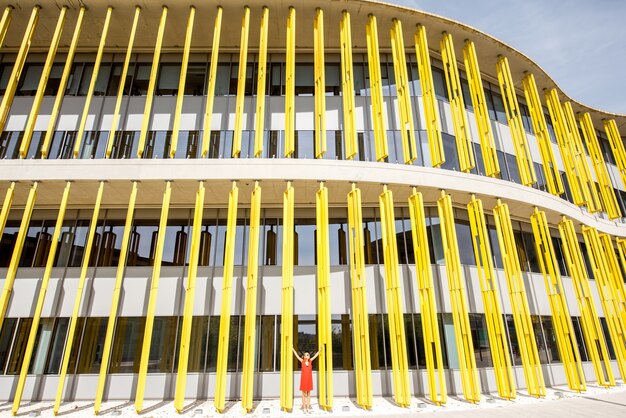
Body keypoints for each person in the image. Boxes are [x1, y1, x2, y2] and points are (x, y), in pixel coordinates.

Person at [292, 346, 321, 413]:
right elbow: (296, 355)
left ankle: (308, 407)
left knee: (308, 395)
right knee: (303, 394)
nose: (307, 356)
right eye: (305, 355)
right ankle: (304, 408)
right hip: (303, 380)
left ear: (309, 356)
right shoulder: (302, 361)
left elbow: (316, 355)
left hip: (309, 380)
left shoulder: (310, 361)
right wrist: (293, 349)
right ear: (304, 356)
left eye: (308, 355)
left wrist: (320, 350)